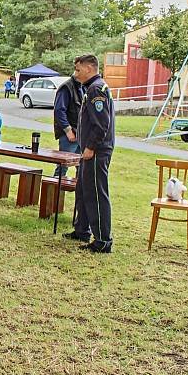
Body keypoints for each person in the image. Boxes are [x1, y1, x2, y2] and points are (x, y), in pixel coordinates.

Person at [63, 55, 116, 254]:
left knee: (95, 193)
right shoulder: (92, 88)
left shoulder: (96, 89)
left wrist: (91, 146)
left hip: (96, 151)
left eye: (78, 70)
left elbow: (102, 124)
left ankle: (103, 240)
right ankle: (82, 230)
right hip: (88, 151)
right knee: (83, 190)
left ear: (88, 68)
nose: (75, 74)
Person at [52, 70, 83, 176]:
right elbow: (59, 111)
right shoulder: (67, 87)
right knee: (63, 166)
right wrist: (68, 130)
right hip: (70, 135)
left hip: (81, 134)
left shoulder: (83, 86)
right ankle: (54, 191)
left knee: (82, 167)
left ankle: (80, 192)